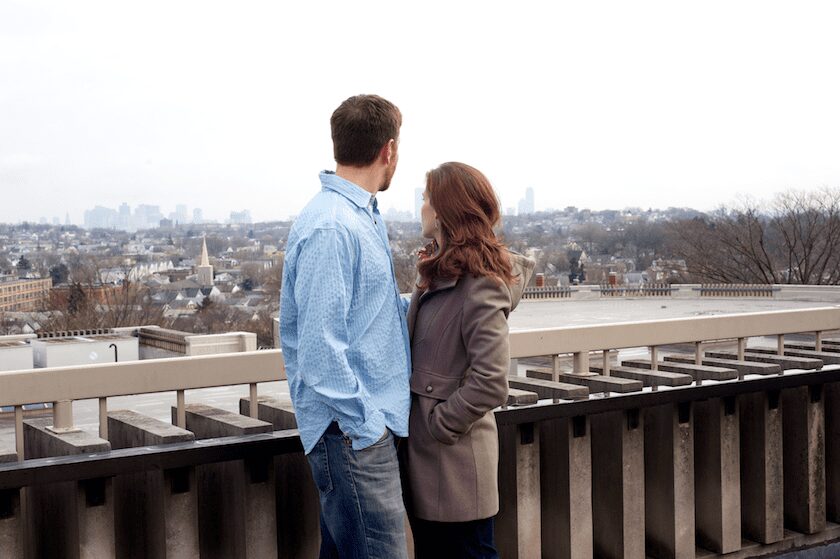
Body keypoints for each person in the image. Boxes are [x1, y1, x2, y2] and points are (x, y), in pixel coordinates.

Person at [280, 94, 410, 559]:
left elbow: (365, 314)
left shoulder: (359, 216)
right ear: (388, 151)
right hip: (353, 436)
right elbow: (320, 351)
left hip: (359, 434)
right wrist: (366, 427)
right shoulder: (333, 227)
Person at [401, 162, 535, 558]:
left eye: (426, 198)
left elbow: (491, 380)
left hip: (456, 468)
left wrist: (439, 424)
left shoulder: (481, 285)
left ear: (444, 209)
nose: (421, 206)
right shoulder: (439, 273)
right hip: (427, 465)